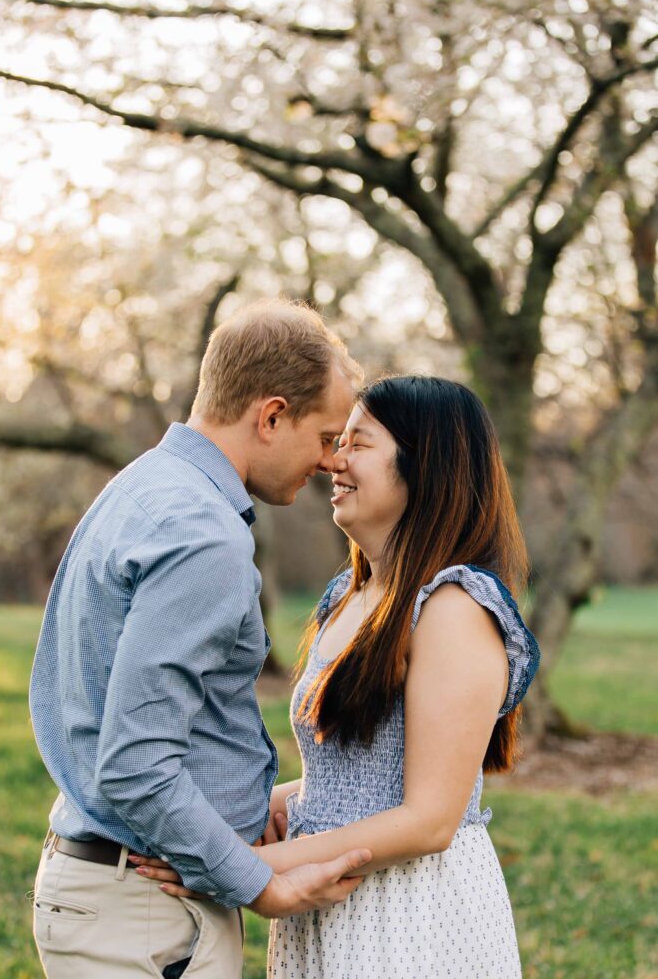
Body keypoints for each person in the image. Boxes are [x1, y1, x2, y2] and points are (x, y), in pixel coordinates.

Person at [141, 374, 540, 978]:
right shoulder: (349, 595)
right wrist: (220, 818)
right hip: (327, 903)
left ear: (423, 464)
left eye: (358, 442)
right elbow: (354, 778)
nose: (333, 460)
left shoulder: (454, 607)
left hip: (409, 915)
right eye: (337, 442)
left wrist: (242, 865)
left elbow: (429, 819)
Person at [29, 299, 372, 979]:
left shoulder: (144, 489)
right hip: (143, 914)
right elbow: (135, 763)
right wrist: (262, 884)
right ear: (271, 416)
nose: (330, 461)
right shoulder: (203, 535)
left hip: (123, 893)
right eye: (326, 436)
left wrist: (245, 803)